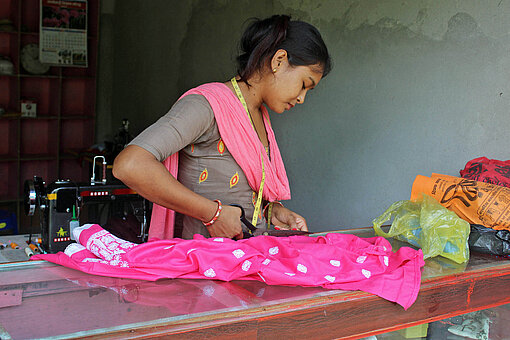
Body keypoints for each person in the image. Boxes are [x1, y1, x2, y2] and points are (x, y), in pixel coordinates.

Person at [113, 15, 332, 240]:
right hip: (200, 267)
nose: (302, 98)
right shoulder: (207, 106)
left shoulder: (258, 116)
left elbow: (240, 193)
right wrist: (212, 214)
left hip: (243, 264)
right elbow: (130, 165)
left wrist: (272, 210)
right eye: (304, 84)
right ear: (278, 60)